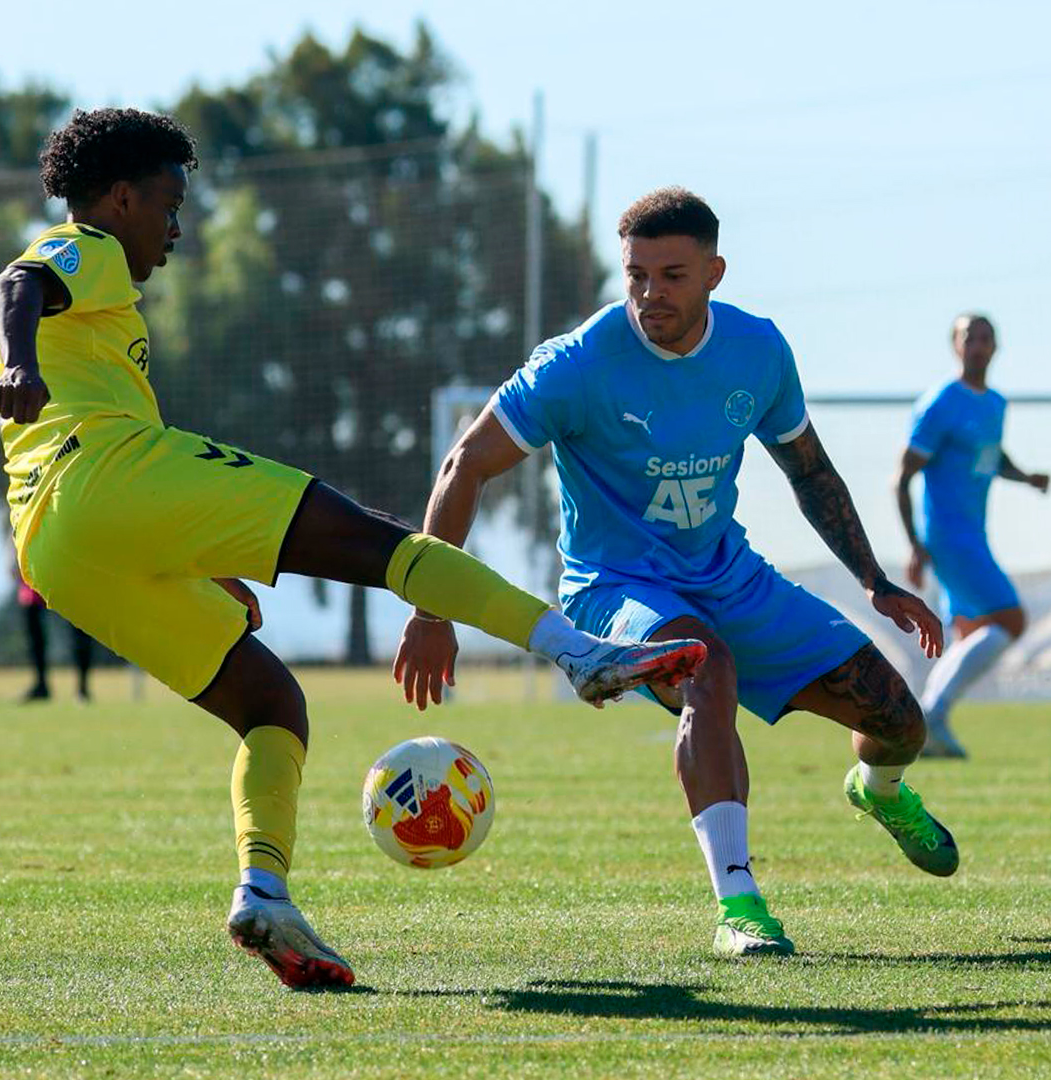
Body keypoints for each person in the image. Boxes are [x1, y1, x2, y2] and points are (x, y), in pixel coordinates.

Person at [0, 109, 706, 989]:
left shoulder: (103, 306)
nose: (176, 227)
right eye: (170, 204)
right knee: (378, 542)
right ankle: (578, 652)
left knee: (270, 702)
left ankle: (265, 891)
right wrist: (15, 360)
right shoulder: (85, 245)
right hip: (101, 471)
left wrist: (199, 561)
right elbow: (14, 285)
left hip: (55, 548)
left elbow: (97, 450)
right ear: (123, 195)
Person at [394, 187, 955, 960]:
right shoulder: (577, 364)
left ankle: (878, 791)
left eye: (673, 275)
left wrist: (872, 579)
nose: (651, 294)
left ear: (715, 272)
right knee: (705, 667)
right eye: (636, 276)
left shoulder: (758, 351)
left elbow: (810, 470)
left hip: (730, 574)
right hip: (615, 588)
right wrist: (431, 611)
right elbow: (465, 466)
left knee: (899, 721)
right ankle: (740, 906)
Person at [894, 314, 1051, 758]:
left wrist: (1024, 477)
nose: (979, 345)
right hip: (947, 534)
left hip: (974, 532)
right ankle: (931, 714)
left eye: (986, 338)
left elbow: (991, 454)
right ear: (955, 346)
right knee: (1010, 619)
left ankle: (929, 726)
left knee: (973, 630)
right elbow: (901, 477)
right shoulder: (940, 403)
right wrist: (914, 543)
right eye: (970, 338)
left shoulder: (995, 403)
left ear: (996, 347)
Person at [15, 564, 94, 704]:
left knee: (80, 631)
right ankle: (41, 684)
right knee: (35, 637)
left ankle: (82, 688)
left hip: (69, 570)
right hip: (35, 571)